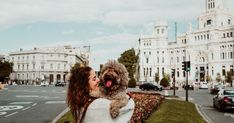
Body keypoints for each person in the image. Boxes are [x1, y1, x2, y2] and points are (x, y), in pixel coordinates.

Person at [67, 65, 135, 123]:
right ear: (83, 84)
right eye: (94, 79)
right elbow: (128, 108)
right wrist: (127, 97)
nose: (98, 80)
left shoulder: (79, 103)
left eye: (97, 77)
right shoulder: (100, 104)